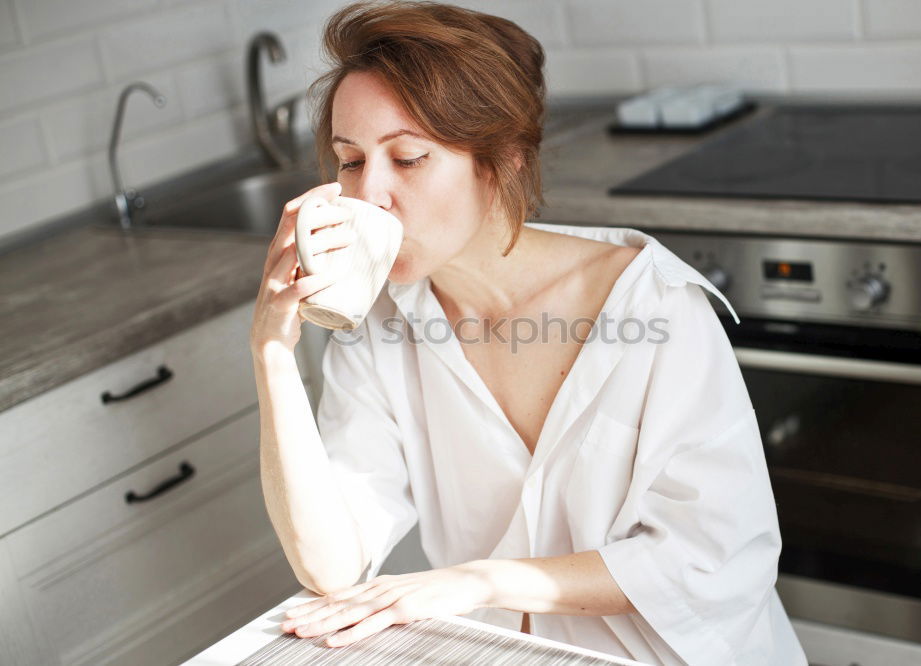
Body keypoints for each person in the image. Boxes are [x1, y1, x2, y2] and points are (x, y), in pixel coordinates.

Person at [249, 1, 808, 664]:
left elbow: (709, 554)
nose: (368, 194)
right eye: (349, 161)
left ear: (504, 159)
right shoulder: (377, 328)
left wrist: (478, 580)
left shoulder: (652, 305)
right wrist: (273, 354)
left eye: (408, 158)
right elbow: (332, 567)